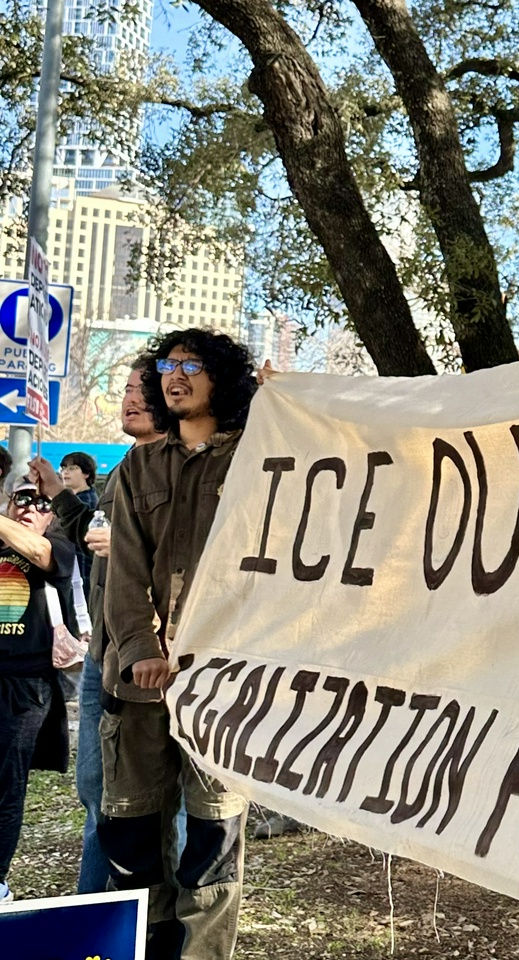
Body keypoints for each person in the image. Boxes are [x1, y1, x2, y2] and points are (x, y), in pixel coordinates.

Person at [100, 328, 257, 960]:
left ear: (224, 378)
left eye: (193, 364)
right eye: (168, 364)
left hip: (223, 691)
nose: (176, 374)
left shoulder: (262, 458)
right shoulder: (139, 466)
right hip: (137, 688)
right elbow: (126, 572)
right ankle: (149, 950)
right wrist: (140, 648)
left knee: (214, 840)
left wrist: (291, 404)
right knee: (132, 834)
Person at [30, 355, 167, 895]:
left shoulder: (185, 471)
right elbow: (97, 533)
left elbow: (201, 560)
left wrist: (132, 548)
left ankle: (138, 921)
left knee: (146, 805)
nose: (129, 397)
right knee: (95, 792)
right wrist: (60, 497)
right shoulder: (127, 469)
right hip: (101, 658)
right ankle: (94, 915)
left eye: (142, 389)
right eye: (127, 387)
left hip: (148, 664)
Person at [0, 481, 78, 903]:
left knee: (6, 785)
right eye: (22, 498)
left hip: (25, 686)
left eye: (42, 502)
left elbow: (38, 553)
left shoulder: (57, 548)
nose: (31, 507)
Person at [59, 451, 99, 582]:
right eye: (63, 468)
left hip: (82, 573)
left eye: (72, 468)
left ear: (86, 474)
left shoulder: (87, 502)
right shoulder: (77, 498)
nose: (65, 472)